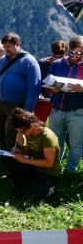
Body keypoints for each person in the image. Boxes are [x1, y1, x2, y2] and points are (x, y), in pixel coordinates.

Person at [0, 32, 41, 150]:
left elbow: (34, 87)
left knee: (11, 132)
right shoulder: (2, 61)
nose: (6, 49)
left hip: (16, 106)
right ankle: (3, 156)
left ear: (17, 44)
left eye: (8, 46)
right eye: (4, 47)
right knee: (0, 130)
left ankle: (14, 159)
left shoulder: (29, 61)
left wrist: (28, 110)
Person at [47, 35, 83, 173]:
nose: (74, 55)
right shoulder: (57, 64)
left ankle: (70, 171)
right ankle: (54, 167)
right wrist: (52, 89)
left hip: (78, 112)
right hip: (57, 110)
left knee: (76, 145)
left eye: (79, 53)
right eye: (72, 52)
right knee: (56, 142)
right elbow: (47, 85)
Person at [9, 108, 62, 199]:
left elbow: (48, 163)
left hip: (49, 173)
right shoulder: (29, 133)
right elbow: (29, 148)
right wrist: (21, 151)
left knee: (36, 195)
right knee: (14, 166)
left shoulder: (47, 137)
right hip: (35, 168)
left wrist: (25, 160)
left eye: (23, 131)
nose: (22, 134)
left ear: (32, 125)